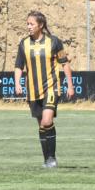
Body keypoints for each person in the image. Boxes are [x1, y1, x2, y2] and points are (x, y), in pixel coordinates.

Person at [14, 10, 75, 168]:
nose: (28, 26)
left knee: (47, 121)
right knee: (42, 125)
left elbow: (65, 63)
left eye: (31, 24)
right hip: (33, 91)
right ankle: (47, 159)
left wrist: (69, 84)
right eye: (27, 23)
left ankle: (52, 158)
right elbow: (18, 66)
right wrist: (17, 83)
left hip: (51, 88)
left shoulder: (54, 42)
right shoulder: (24, 44)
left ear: (40, 25)